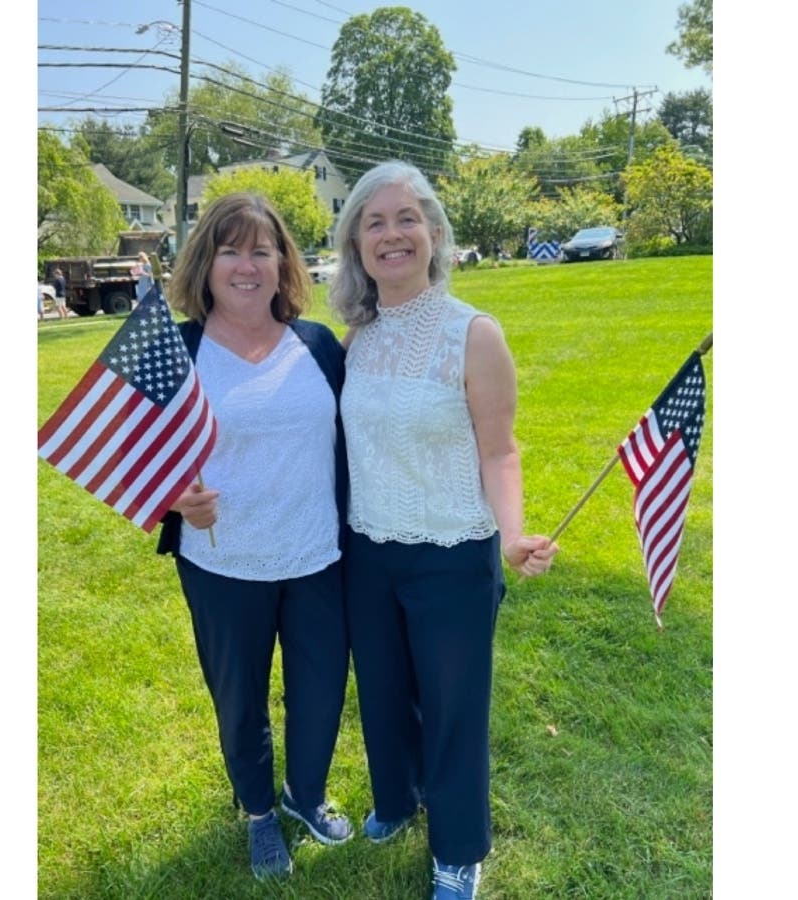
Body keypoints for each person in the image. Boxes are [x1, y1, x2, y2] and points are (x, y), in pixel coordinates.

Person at [329, 160, 558, 900]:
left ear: (433, 234)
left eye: (406, 219)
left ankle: (458, 847)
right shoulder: (357, 338)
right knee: (386, 693)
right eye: (374, 222)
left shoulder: (474, 334)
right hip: (369, 551)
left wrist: (513, 532)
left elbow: (500, 450)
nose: (392, 235)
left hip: (453, 554)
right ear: (356, 243)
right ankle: (396, 802)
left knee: (455, 705)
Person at [155, 192, 353, 881]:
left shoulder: (319, 344)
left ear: (282, 263)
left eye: (261, 251)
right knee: (240, 700)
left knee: (321, 690)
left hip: (318, 556)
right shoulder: (179, 352)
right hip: (222, 562)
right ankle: (259, 812)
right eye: (229, 250)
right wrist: (176, 501)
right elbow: (144, 458)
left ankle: (303, 794)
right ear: (205, 264)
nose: (246, 265)